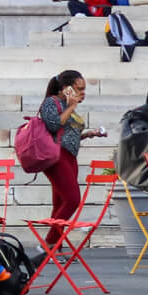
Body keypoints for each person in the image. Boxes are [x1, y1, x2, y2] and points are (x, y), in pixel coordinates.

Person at [36, 68, 106, 251]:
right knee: (73, 199)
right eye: (79, 89)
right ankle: (48, 244)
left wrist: (89, 134)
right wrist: (72, 106)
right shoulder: (52, 102)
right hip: (57, 157)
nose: (82, 94)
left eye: (84, 90)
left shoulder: (66, 106)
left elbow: (67, 134)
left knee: (60, 203)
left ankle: (53, 248)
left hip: (69, 156)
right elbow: (53, 125)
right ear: (66, 89)